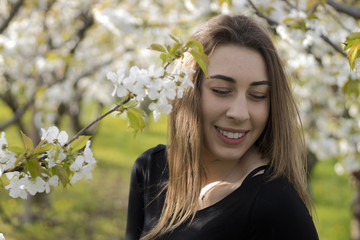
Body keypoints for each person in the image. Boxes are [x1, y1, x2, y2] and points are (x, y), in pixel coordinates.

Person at [125, 14, 319, 240]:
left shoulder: (275, 204)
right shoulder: (150, 169)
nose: (239, 113)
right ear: (189, 91)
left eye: (257, 95)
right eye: (221, 90)